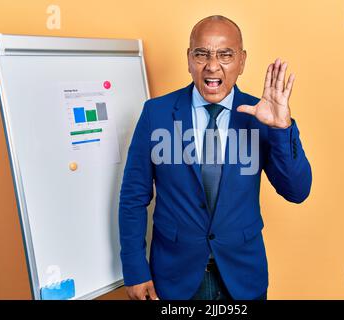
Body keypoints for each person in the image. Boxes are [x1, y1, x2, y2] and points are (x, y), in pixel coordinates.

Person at [119, 15, 312, 300]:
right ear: (188, 59)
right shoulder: (156, 113)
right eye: (201, 54)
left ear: (242, 61)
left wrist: (281, 129)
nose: (212, 65)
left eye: (225, 55)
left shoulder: (260, 115)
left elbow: (297, 191)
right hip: (174, 278)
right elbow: (134, 196)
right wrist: (135, 270)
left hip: (242, 277)